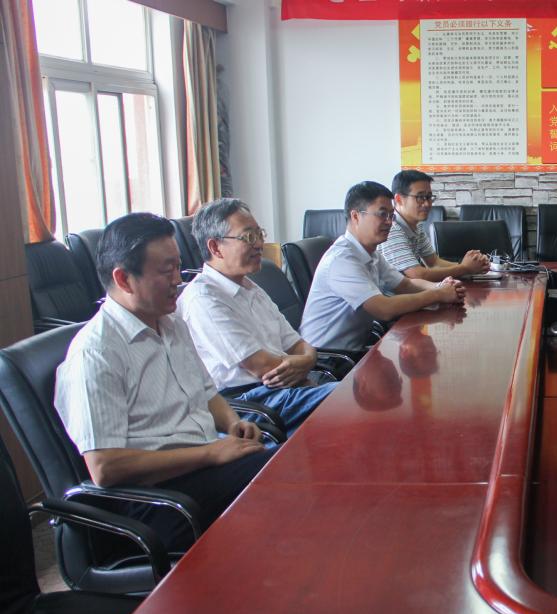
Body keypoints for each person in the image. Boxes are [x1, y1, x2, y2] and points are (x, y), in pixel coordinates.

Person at [54, 213, 275, 551]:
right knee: (280, 484)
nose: (178, 280)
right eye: (166, 270)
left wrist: (232, 423)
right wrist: (209, 454)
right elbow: (105, 467)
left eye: (178, 267)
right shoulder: (96, 353)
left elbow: (206, 392)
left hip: (203, 466)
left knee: (285, 469)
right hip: (157, 499)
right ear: (124, 279)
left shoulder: (172, 323)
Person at [179, 198, 338, 436]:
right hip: (252, 402)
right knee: (352, 398)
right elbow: (262, 367)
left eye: (259, 234)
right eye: (248, 237)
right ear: (215, 247)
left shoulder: (251, 287)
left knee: (357, 395)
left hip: (284, 390)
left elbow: (299, 344)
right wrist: (305, 362)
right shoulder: (203, 299)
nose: (259, 244)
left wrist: (306, 361)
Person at [301, 181, 466, 351]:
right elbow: (384, 309)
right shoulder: (342, 260)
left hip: (354, 349)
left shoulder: (371, 253)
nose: (389, 222)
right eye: (382, 214)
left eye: (391, 215)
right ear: (356, 216)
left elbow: (405, 284)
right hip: (325, 358)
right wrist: (438, 294)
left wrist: (442, 286)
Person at [379, 169, 490, 281]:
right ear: (399, 199)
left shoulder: (416, 226)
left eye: (429, 197)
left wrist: (473, 266)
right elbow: (418, 275)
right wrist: (464, 268)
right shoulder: (392, 228)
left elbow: (434, 262)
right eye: (420, 197)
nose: (427, 204)